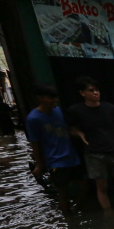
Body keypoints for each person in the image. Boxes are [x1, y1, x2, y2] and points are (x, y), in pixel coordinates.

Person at [65, 76, 114, 210]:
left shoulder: (109, 108)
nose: (95, 93)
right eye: (91, 90)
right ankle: (108, 214)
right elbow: (69, 127)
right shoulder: (76, 110)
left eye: (97, 90)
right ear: (82, 93)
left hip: (113, 151)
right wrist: (79, 134)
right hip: (94, 153)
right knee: (102, 187)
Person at [25, 83, 87, 215]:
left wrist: (79, 134)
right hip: (55, 160)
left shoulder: (58, 111)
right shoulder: (33, 118)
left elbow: (65, 130)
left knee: (85, 186)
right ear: (40, 98)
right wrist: (39, 165)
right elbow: (35, 143)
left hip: (72, 156)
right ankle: (69, 220)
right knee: (62, 193)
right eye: (50, 98)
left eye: (55, 97)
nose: (55, 100)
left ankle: (76, 211)